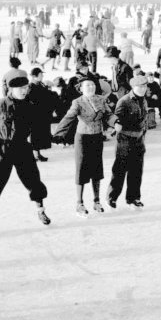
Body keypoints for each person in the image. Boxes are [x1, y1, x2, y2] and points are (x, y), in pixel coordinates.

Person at [0, 76, 51, 225]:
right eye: (21, 89)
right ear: (12, 89)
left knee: (33, 180)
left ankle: (41, 210)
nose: (24, 91)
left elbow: (37, 130)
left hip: (23, 148)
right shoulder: (0, 104)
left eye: (26, 88)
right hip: (4, 148)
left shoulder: (30, 105)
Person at [54, 78, 119, 217]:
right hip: (83, 138)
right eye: (87, 85)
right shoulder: (77, 102)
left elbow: (108, 115)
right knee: (82, 169)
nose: (91, 87)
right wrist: (59, 133)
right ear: (81, 88)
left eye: (93, 85)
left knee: (97, 169)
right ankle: (80, 203)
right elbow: (69, 117)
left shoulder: (101, 99)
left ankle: (96, 201)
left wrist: (116, 122)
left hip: (97, 138)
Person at [107, 75, 148, 209]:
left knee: (136, 172)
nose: (143, 89)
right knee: (120, 170)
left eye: (144, 86)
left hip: (139, 140)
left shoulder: (144, 101)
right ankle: (112, 197)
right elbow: (117, 120)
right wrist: (115, 128)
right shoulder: (124, 101)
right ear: (133, 87)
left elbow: (144, 120)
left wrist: (143, 136)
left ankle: (133, 198)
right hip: (125, 141)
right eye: (140, 86)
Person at [25, 68, 58, 162]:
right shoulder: (31, 87)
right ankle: (35, 155)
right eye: (41, 75)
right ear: (35, 76)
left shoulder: (40, 84)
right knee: (35, 135)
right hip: (35, 115)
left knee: (39, 135)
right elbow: (33, 100)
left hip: (42, 114)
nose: (42, 76)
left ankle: (37, 154)